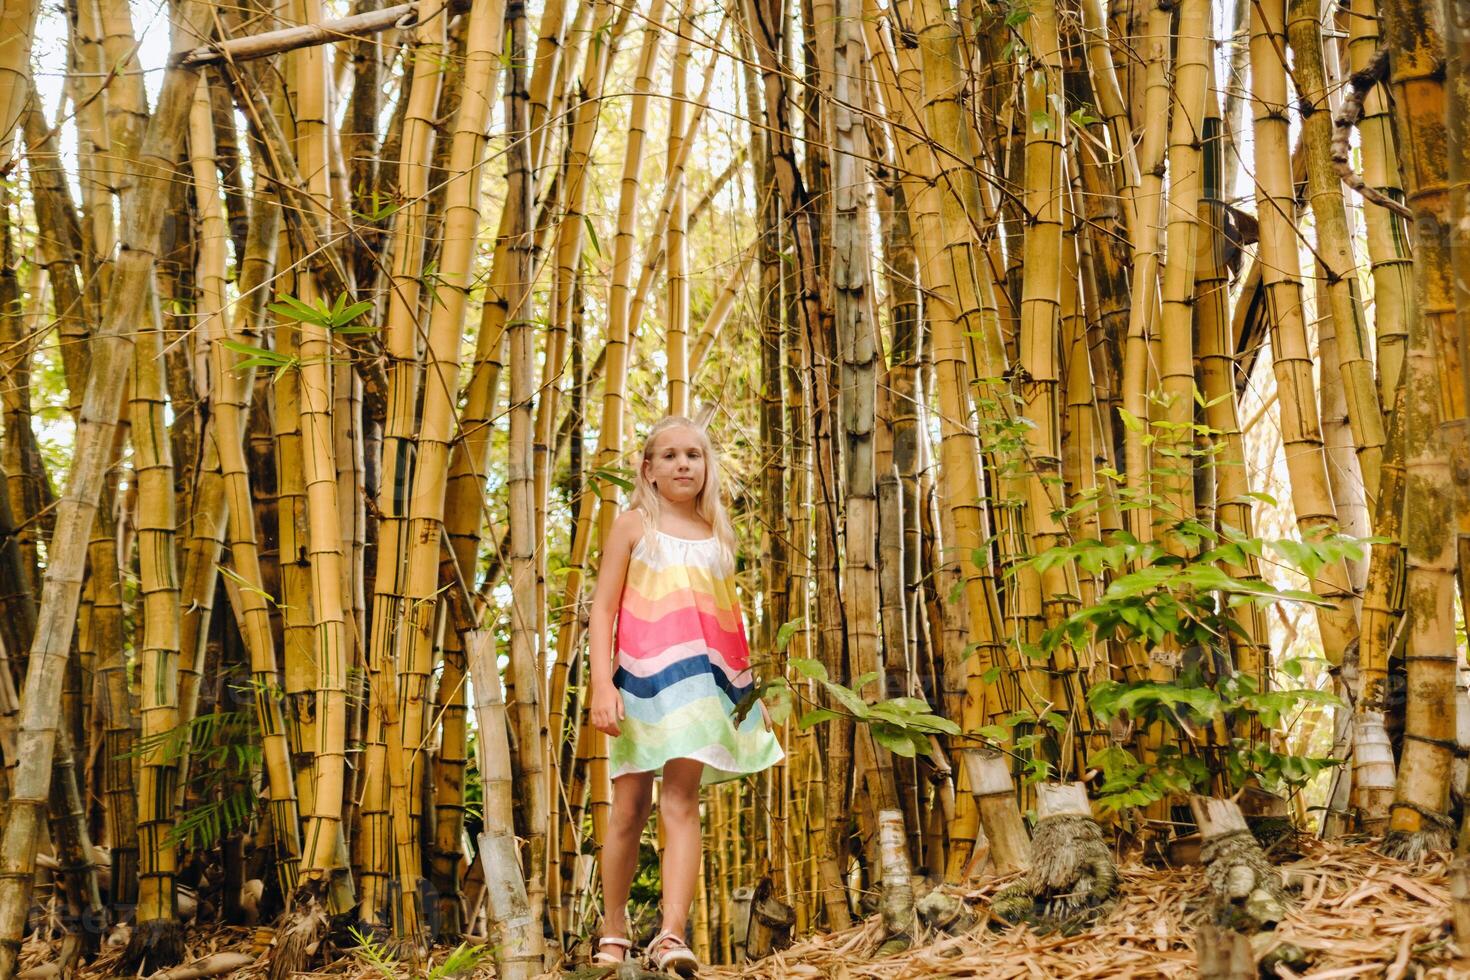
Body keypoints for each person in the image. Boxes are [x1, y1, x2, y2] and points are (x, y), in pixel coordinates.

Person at [586, 415, 784, 975]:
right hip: (641, 683)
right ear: (647, 469)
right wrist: (603, 684)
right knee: (628, 806)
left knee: (680, 802)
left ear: (706, 466)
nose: (682, 465)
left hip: (701, 687)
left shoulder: (718, 532)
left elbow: (728, 621)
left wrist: (747, 695)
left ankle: (671, 934)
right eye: (669, 456)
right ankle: (615, 928)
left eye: (692, 455)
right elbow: (603, 610)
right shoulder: (632, 526)